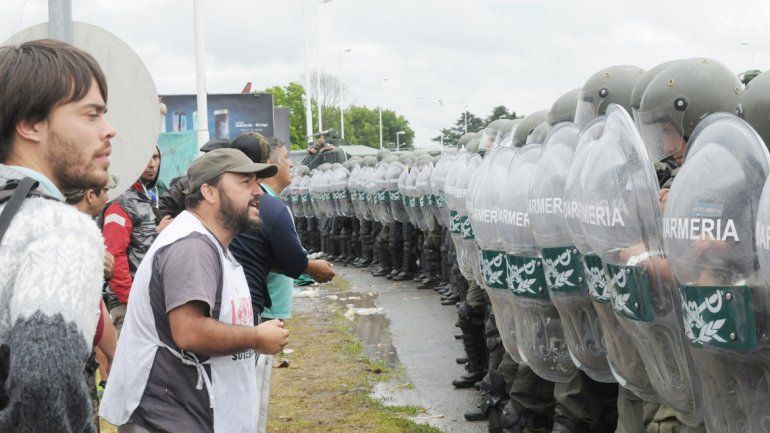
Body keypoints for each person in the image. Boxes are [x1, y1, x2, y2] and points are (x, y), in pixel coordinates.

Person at [100, 148, 290, 433]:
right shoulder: (192, 246)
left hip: (189, 414)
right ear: (209, 192)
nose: (258, 191)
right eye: (245, 182)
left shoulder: (209, 242)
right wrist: (255, 337)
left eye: (256, 182)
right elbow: (189, 330)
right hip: (166, 419)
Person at [0, 38, 115, 433]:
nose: (109, 130)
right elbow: (43, 387)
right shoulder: (57, 229)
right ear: (31, 123)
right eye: (91, 114)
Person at [230, 137, 336, 319]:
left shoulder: (267, 203)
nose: (291, 164)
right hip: (261, 309)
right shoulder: (269, 207)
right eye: (286, 158)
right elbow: (291, 260)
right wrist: (312, 268)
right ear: (271, 164)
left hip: (259, 305)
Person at [66, 175, 121, 430]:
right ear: (90, 194)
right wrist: (112, 353)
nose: (109, 198)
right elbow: (94, 307)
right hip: (70, 359)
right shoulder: (75, 233)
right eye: (105, 192)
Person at [102, 147, 170, 333]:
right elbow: (114, 256)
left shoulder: (142, 197)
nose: (152, 164)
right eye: (145, 157)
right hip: (128, 304)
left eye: (156, 157)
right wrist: (131, 298)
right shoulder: (121, 202)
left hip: (145, 300)